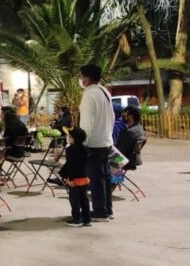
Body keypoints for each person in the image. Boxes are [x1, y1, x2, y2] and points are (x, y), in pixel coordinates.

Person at [78, 64, 115, 222]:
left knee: (96, 180)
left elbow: (86, 121)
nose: (80, 79)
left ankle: (99, 212)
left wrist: (82, 141)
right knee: (105, 178)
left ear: (86, 78)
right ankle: (107, 209)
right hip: (106, 141)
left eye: (81, 76)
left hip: (93, 143)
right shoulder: (104, 92)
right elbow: (112, 117)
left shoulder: (89, 95)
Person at [59, 127, 92, 227]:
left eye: (70, 136)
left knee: (74, 199)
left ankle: (76, 218)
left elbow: (71, 165)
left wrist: (70, 178)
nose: (69, 138)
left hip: (75, 178)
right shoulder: (86, 148)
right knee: (84, 198)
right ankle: (87, 218)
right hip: (85, 177)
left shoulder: (70, 149)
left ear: (74, 138)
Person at [116, 106, 146, 170]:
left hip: (124, 160)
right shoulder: (140, 128)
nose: (123, 117)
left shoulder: (130, 132)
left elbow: (121, 151)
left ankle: (111, 179)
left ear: (131, 116)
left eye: (125, 115)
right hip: (133, 158)